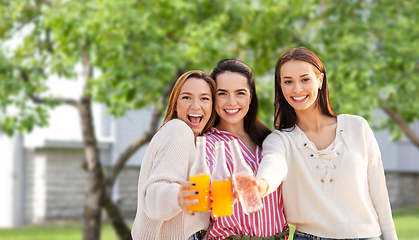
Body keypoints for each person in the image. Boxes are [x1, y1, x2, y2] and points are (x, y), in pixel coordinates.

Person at [256, 47, 398, 240]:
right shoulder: (280, 139)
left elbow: (380, 196)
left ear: (320, 80)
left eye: (305, 79)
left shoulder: (357, 126)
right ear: (280, 86)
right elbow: (273, 164)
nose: (297, 89)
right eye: (288, 81)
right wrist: (260, 184)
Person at [203, 59, 288, 240]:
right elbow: (209, 180)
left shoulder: (268, 139)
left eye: (240, 93)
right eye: (222, 93)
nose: (231, 102)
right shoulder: (207, 144)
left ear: (250, 97)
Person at [131, 70, 217, 240]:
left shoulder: (191, 140)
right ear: (175, 103)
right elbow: (154, 193)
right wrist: (177, 196)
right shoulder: (179, 130)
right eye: (186, 97)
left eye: (204, 98)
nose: (196, 106)